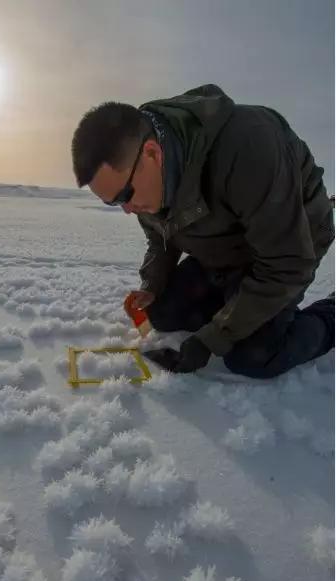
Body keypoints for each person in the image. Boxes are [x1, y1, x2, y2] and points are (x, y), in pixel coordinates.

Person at [71, 84, 335, 378]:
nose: (127, 210)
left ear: (152, 153)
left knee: (252, 356)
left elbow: (287, 264)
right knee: (161, 314)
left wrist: (213, 338)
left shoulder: (249, 145)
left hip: (289, 245)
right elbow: (161, 239)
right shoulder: (144, 181)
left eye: (124, 196)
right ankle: (236, 301)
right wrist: (152, 286)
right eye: (112, 203)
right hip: (224, 248)